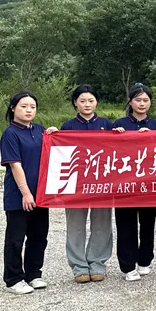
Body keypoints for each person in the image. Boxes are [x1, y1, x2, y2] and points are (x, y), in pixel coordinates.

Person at [53, 85, 114, 284]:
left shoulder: (106, 124)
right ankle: (79, 266)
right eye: (82, 101)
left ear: (97, 102)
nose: (87, 105)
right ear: (75, 103)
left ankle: (97, 263)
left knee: (102, 223)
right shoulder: (68, 126)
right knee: (75, 224)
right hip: (75, 183)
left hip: (102, 181)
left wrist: (120, 134)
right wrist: (52, 135)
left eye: (91, 100)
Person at [1, 91, 51, 295]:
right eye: (24, 106)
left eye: (32, 107)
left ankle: (33, 274)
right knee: (16, 238)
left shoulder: (40, 130)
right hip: (19, 194)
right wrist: (26, 193)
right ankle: (14, 279)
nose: (29, 110)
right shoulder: (10, 133)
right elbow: (15, 165)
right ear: (13, 108)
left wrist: (55, 133)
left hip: (41, 193)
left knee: (39, 236)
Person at [112, 83, 156, 282]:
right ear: (130, 102)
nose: (142, 104)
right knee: (126, 225)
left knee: (148, 223)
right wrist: (119, 136)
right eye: (138, 100)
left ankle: (145, 260)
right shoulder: (120, 124)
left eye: (145, 100)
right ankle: (127, 265)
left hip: (150, 182)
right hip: (124, 183)